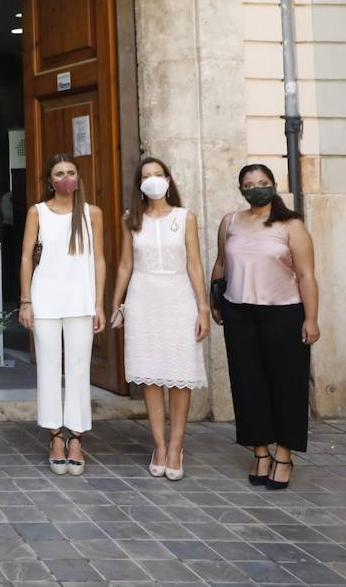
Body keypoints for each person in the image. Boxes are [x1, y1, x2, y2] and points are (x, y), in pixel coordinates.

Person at [211, 164, 320, 491]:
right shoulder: (230, 222)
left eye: (262, 182)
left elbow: (306, 275)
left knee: (287, 385)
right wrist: (215, 300)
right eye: (249, 184)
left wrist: (311, 318)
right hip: (239, 312)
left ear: (273, 185)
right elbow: (220, 263)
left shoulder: (292, 225)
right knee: (247, 384)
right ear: (241, 189)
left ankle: (284, 455)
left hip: (284, 313)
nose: (255, 188)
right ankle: (260, 452)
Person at [108, 158, 208, 480]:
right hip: (143, 297)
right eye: (145, 176)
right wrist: (116, 304)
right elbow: (125, 264)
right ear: (139, 184)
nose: (152, 180)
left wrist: (203, 307)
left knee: (180, 372)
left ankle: (177, 447)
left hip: (179, 297)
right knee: (150, 375)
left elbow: (194, 264)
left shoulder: (185, 217)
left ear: (168, 179)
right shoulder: (131, 221)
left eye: (157, 175)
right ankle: (159, 446)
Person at [19, 154, 107, 475]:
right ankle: (55, 436)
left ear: (78, 177)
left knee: (79, 368)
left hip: (81, 300)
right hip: (44, 299)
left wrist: (99, 303)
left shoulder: (91, 213)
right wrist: (26, 300)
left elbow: (99, 260)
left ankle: (76, 438)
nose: (66, 177)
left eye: (71, 172)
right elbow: (27, 258)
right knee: (49, 367)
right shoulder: (37, 212)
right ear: (50, 180)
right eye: (59, 173)